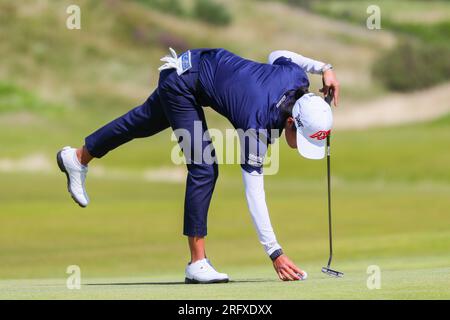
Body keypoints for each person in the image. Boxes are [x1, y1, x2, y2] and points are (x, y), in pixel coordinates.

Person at [56, 48, 340, 283]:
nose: (297, 144)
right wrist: (275, 252)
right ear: (291, 122)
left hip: (186, 68)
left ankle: (77, 158)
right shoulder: (257, 125)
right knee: (204, 167)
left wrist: (323, 67)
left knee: (140, 122)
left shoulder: (296, 78)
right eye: (300, 138)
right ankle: (197, 263)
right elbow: (254, 192)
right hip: (183, 84)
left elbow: (276, 54)